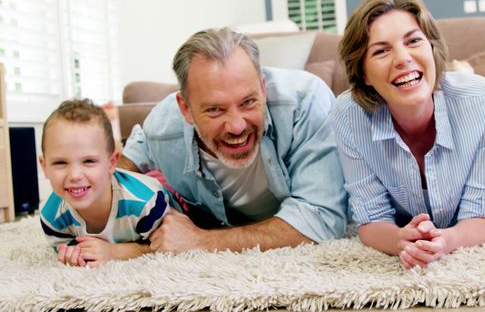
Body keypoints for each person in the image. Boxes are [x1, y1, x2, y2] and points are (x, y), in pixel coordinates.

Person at [118, 27, 348, 253]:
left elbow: (322, 218)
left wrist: (201, 241)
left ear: (263, 88)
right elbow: (135, 151)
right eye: (216, 109)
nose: (237, 126)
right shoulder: (162, 128)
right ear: (185, 109)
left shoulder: (307, 101)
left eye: (248, 102)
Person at [330, 0, 485, 269]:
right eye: (381, 50)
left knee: (466, 84)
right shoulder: (348, 115)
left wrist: (445, 241)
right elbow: (371, 218)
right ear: (364, 74)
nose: (402, 58)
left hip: (461, 93)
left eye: (413, 41)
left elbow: (482, 213)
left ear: (432, 48)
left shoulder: (482, 102)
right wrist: (400, 239)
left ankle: (463, 70)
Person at [39, 99, 169, 267]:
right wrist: (75, 254)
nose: (75, 175)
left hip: (165, 191)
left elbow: (166, 245)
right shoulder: (52, 218)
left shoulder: (148, 204)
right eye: (60, 163)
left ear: (111, 162)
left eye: (88, 161)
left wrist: (114, 252)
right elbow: (68, 247)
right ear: (44, 166)